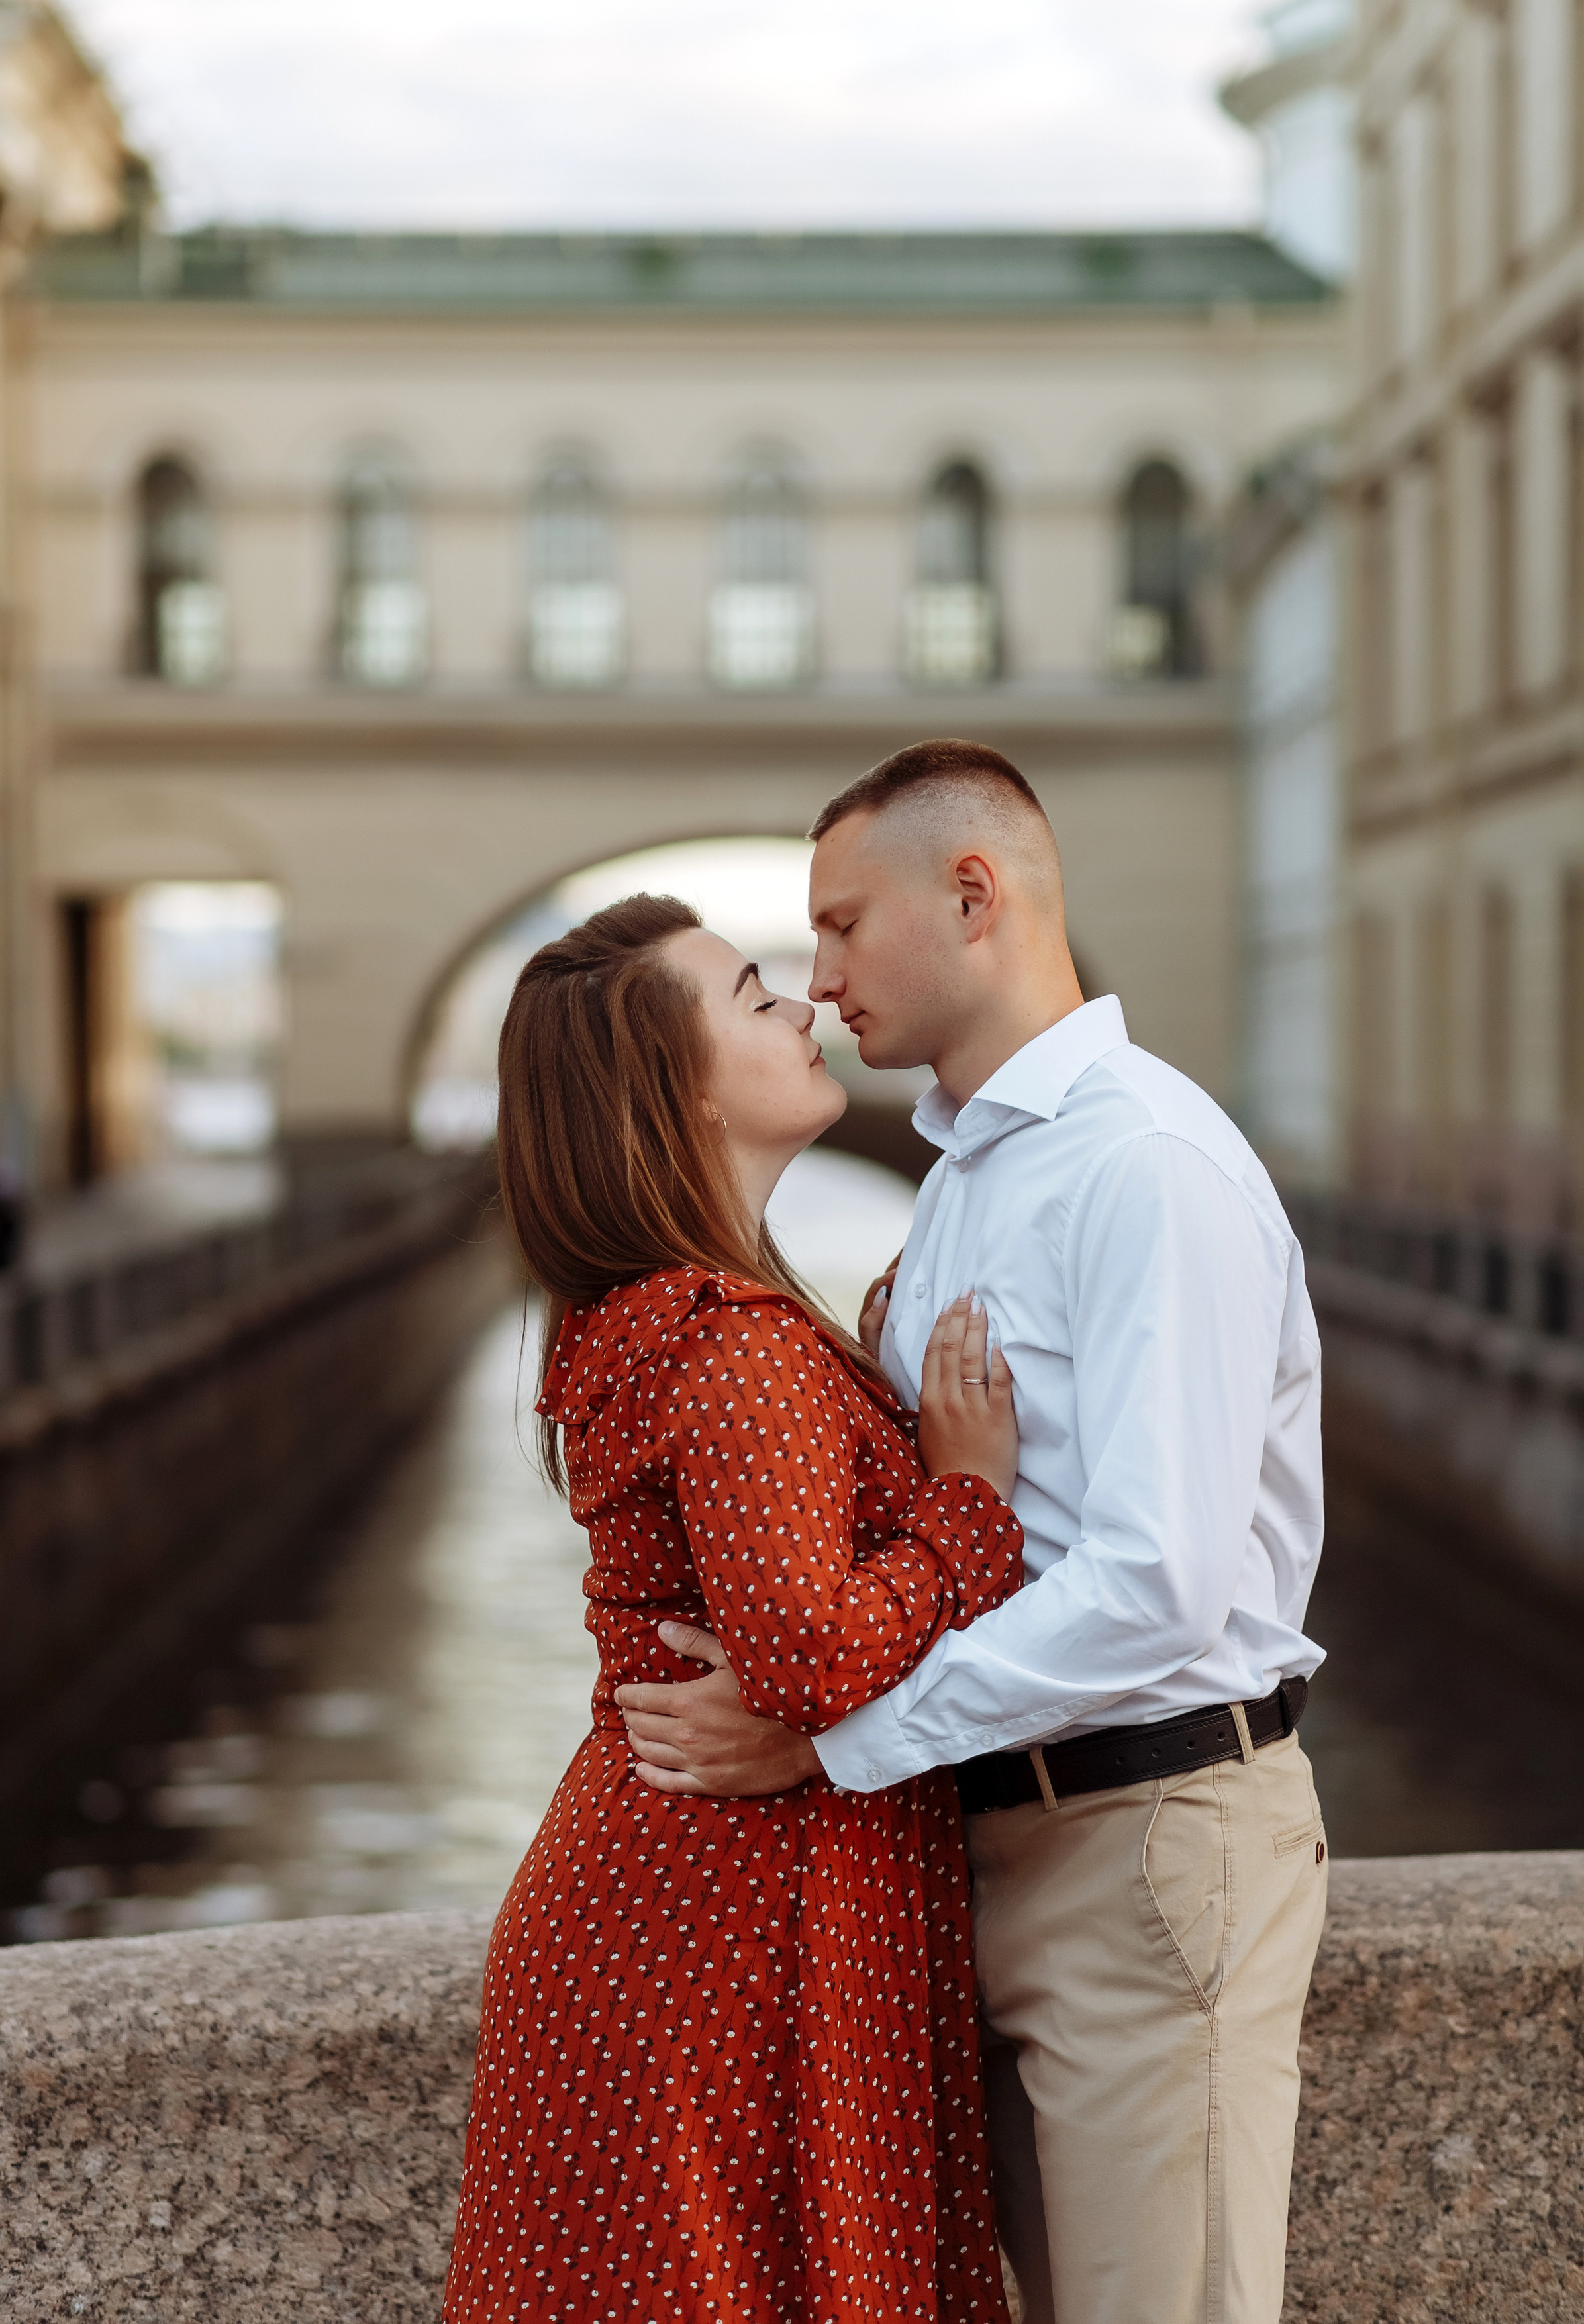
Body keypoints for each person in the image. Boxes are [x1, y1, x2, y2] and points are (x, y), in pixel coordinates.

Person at [617, 741, 1329, 2324]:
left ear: (970, 895)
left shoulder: (1142, 1165)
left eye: (840, 927)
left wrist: (828, 1741)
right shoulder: (968, 1170)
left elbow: (1154, 1584)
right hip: (989, 1839)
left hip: (1143, 1841)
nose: (820, 980)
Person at [442, 891, 1030, 2323]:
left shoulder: (666, 1318)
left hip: (685, 1902)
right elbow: (810, 1656)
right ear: (680, 1092)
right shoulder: (731, 1351)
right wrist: (964, 1499)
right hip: (723, 1922)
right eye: (755, 998)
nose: (805, 1005)